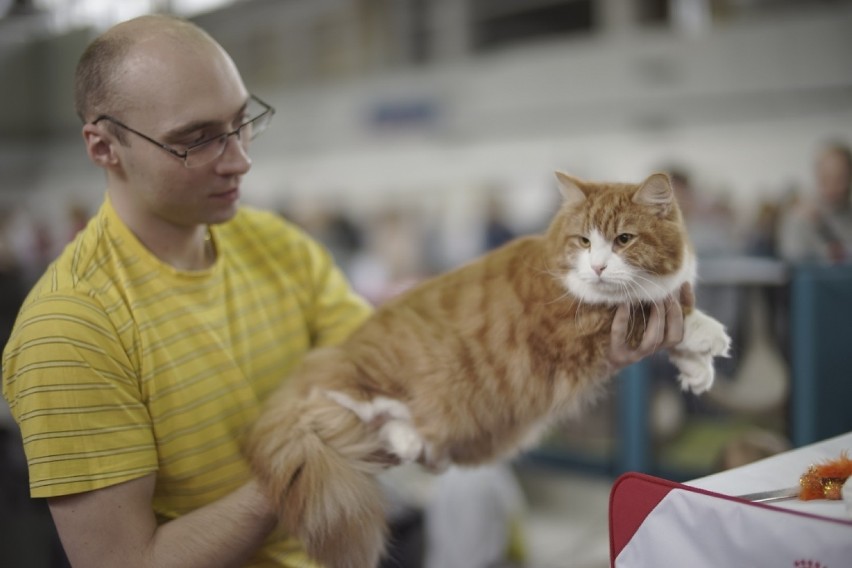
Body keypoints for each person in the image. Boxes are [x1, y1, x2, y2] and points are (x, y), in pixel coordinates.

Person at [1, 14, 685, 568]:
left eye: (243, 121)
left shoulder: (276, 246)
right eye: (197, 140)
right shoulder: (72, 330)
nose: (240, 158)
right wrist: (303, 467)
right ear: (104, 148)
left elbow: (422, 386)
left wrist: (578, 341)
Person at [778, 140, 852, 264]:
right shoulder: (800, 217)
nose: (833, 185)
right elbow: (794, 263)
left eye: (840, 177)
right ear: (817, 175)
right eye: (827, 177)